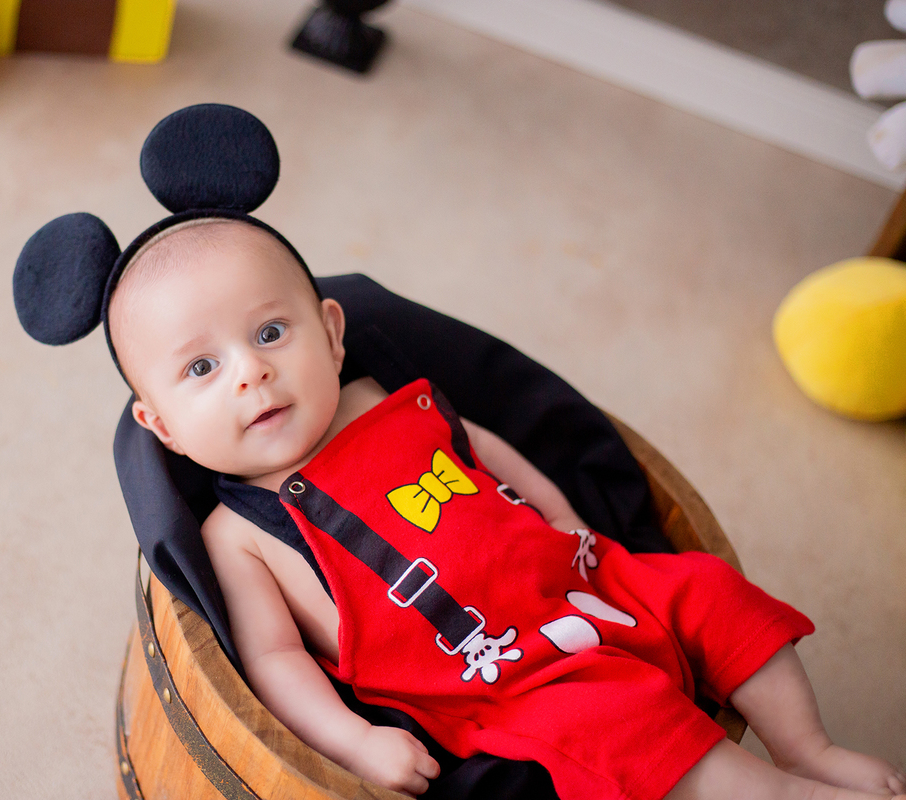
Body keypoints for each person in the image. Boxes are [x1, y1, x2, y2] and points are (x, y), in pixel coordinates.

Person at [106, 216, 905, 800]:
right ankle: (777, 794)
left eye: (272, 332)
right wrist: (356, 741)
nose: (251, 373)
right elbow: (276, 662)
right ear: (162, 425)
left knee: (711, 591)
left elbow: (488, 451)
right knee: (621, 724)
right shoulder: (238, 533)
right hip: (501, 679)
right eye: (203, 367)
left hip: (585, 579)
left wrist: (570, 527)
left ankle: (808, 749)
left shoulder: (382, 397)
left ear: (332, 332)